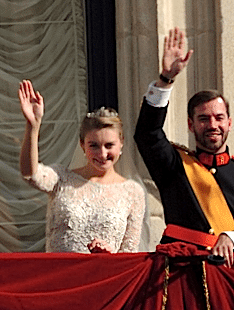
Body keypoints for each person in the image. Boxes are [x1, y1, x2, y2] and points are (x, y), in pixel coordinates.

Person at [134, 28, 234, 266]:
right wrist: (166, 80)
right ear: (191, 124)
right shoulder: (174, 165)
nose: (213, 125)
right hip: (183, 275)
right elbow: (147, 134)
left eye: (219, 118)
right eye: (203, 119)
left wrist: (229, 236)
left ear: (229, 123)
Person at [18, 80, 145, 253]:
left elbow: (130, 254)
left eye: (109, 145)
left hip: (105, 276)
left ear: (121, 143)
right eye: (94, 145)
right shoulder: (61, 178)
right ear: (82, 145)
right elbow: (30, 173)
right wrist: (33, 126)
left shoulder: (133, 193)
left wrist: (110, 255)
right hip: (62, 274)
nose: (102, 154)